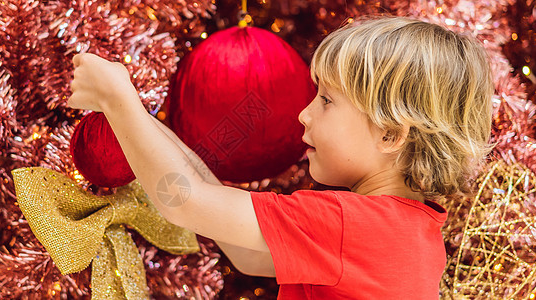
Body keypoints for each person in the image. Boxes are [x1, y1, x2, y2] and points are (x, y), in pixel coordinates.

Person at [66, 16, 493, 299]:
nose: (304, 114)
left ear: (390, 134)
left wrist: (118, 98)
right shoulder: (408, 229)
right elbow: (247, 253)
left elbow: (184, 200)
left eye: (326, 101)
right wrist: (146, 124)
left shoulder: (349, 225)